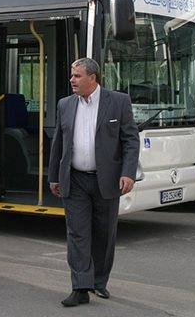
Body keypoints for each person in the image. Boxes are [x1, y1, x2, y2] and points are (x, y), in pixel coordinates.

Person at [48, 57, 139, 307]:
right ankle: (80, 287)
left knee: (104, 234)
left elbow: (130, 139)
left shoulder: (118, 102)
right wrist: (54, 176)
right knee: (77, 234)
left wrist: (128, 172)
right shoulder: (65, 104)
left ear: (92, 78)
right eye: (71, 75)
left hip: (106, 180)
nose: (72, 80)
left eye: (77, 76)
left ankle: (99, 281)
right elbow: (59, 143)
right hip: (75, 180)